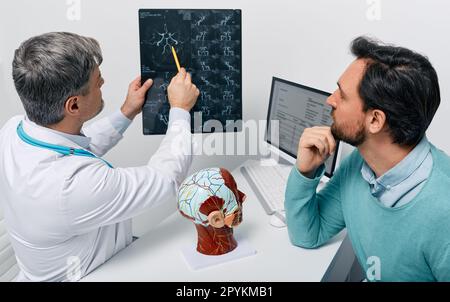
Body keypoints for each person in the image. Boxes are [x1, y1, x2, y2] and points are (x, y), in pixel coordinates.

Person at [0, 32, 199, 281]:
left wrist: (126, 113)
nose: (103, 82)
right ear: (73, 106)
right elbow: (165, 180)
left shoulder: (14, 131)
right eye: (97, 81)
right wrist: (180, 109)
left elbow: (71, 150)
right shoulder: (73, 186)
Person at [285, 36, 450, 281]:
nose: (330, 99)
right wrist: (305, 172)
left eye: (342, 94)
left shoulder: (443, 210)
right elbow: (308, 234)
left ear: (375, 120)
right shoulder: (359, 165)